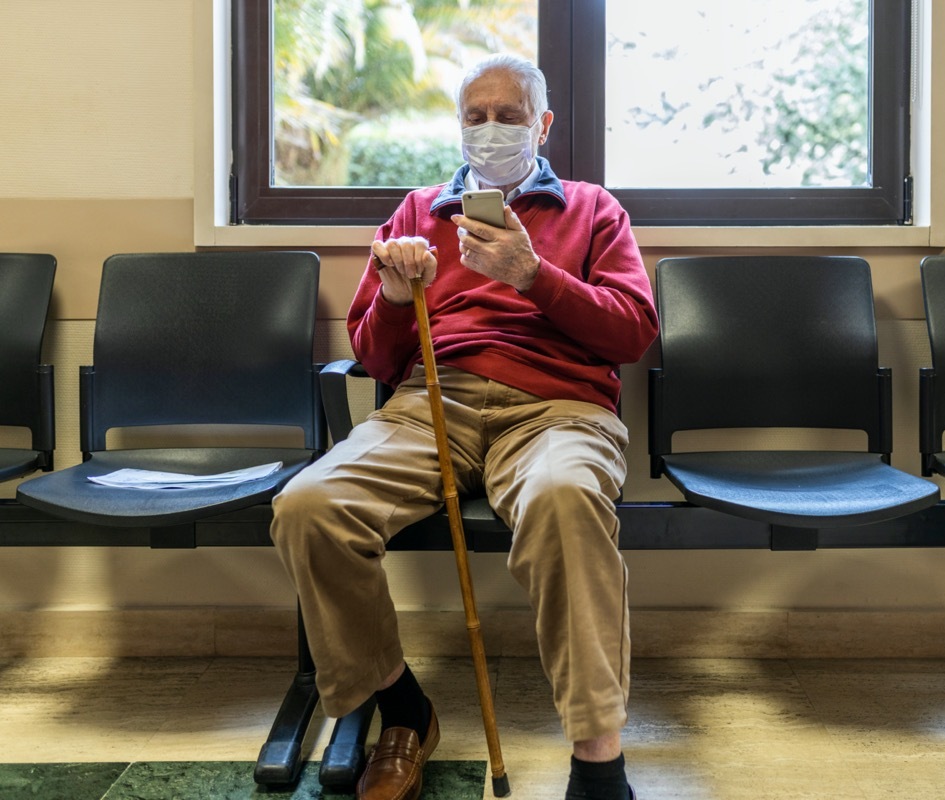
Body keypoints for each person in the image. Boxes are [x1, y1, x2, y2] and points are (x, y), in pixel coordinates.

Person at [270, 53, 657, 800]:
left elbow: (633, 333)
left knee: (564, 500)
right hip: (431, 402)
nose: (489, 130)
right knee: (308, 507)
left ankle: (598, 760)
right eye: (474, 117)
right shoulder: (418, 213)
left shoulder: (593, 209)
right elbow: (374, 357)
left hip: (557, 409)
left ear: (542, 124)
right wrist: (388, 293)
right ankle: (401, 706)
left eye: (508, 115)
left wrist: (533, 274)